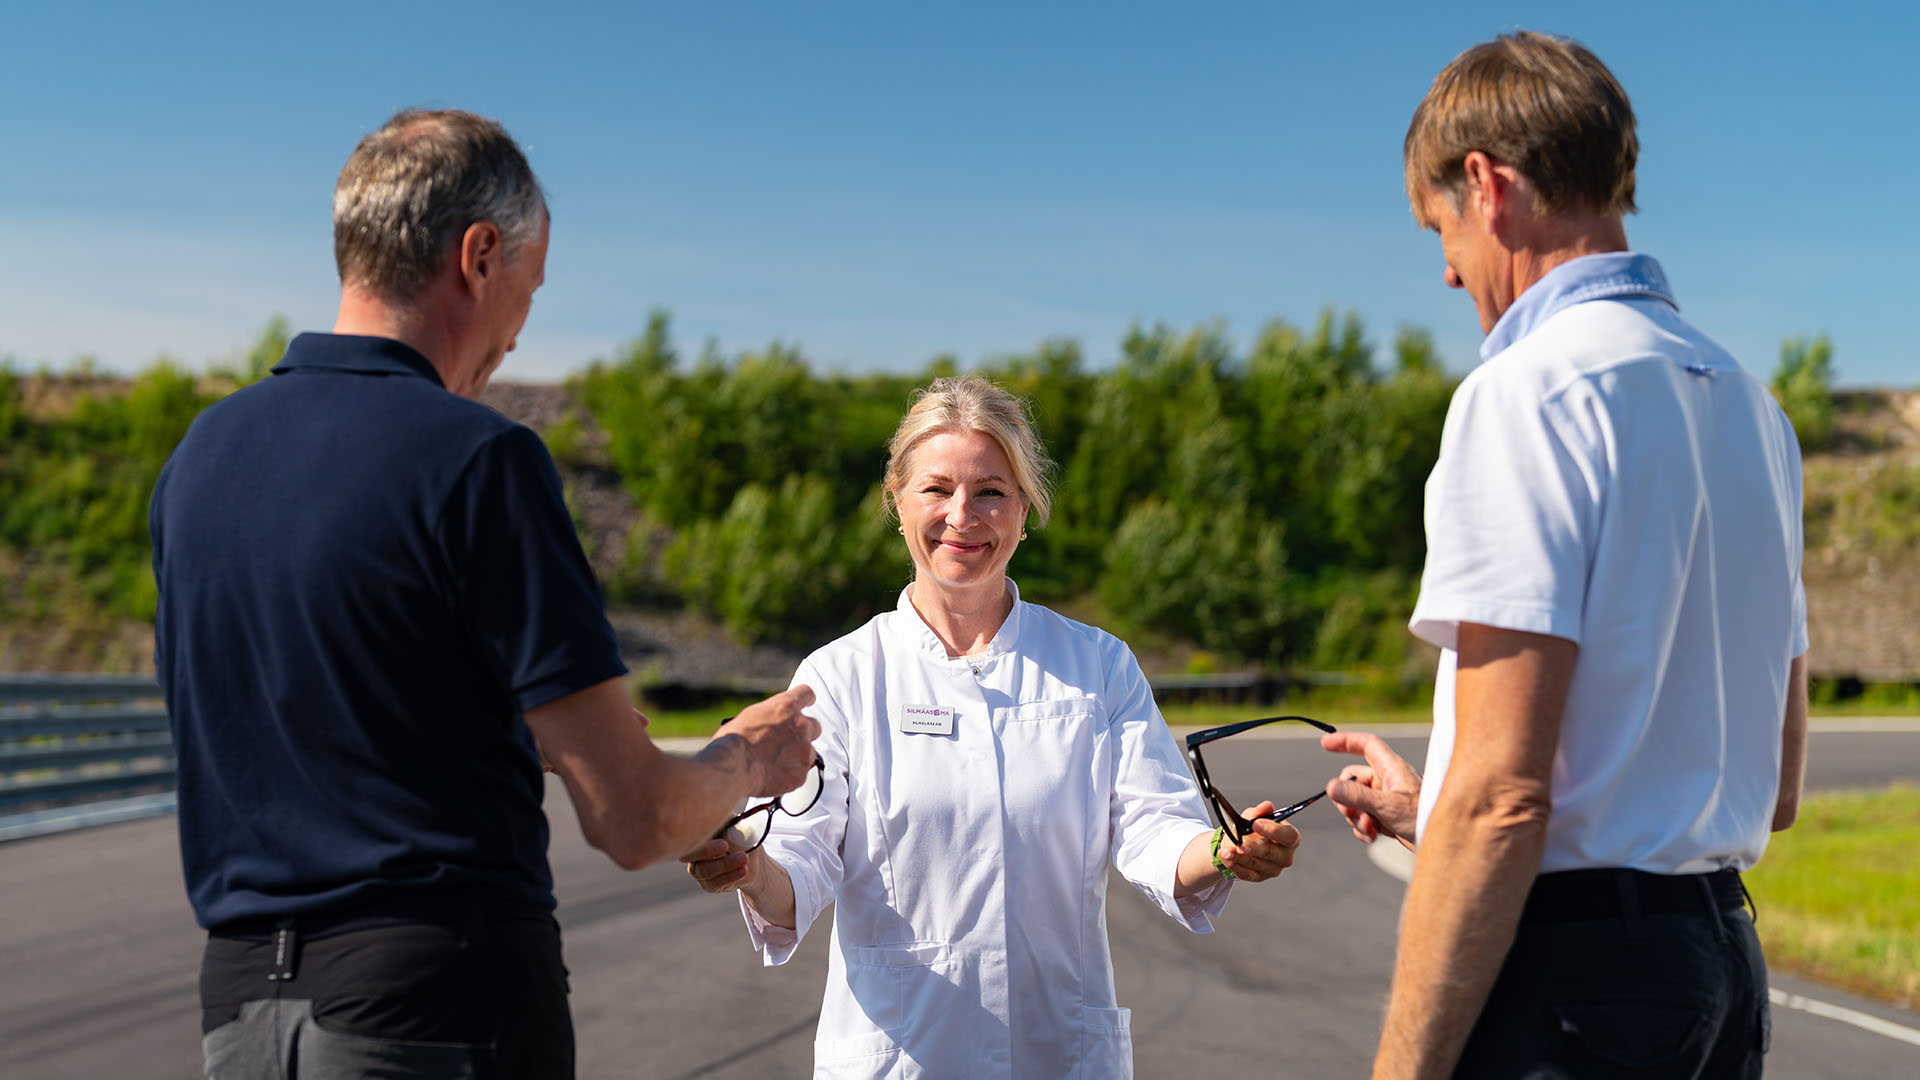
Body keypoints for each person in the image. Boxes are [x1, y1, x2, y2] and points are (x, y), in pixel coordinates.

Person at [150, 108, 819, 1079]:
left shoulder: (200, 460)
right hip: (435, 1006)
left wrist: (502, 731)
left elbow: (300, 729)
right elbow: (632, 821)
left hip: (245, 1011)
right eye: (529, 290)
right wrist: (746, 761)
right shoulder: (477, 460)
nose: (515, 336)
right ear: (479, 255)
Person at [1319, 31, 1810, 1079]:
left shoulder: (1525, 393)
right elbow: (1775, 784)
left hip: (1578, 988)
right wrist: (1432, 805)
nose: (1447, 272)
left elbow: (1503, 799)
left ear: (1489, 188)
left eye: (1438, 227)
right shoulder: (1755, 410)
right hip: (1721, 961)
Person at [682, 376, 1301, 1078]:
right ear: (897, 501)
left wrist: (1224, 849)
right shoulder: (842, 674)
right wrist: (746, 864)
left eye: (991, 492)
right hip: (900, 1056)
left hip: (1056, 1050)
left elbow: (1156, 829)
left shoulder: (1097, 664)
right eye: (936, 489)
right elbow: (801, 857)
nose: (962, 516)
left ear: (1027, 508)